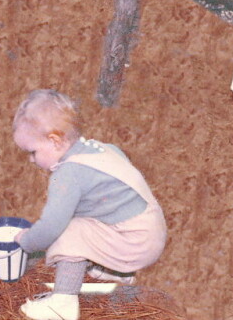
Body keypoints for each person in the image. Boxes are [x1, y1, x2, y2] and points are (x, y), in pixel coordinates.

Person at [12, 89, 167, 320]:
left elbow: (51, 227)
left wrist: (25, 241)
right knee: (81, 222)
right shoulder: (98, 148)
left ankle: (62, 305)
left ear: (54, 141)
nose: (31, 160)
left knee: (69, 231)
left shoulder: (68, 174)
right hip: (150, 228)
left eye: (33, 152)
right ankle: (111, 270)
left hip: (135, 242)